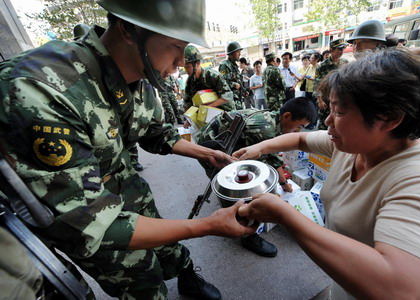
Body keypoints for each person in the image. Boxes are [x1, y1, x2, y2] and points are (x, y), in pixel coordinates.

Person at [0, 1, 257, 299]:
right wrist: (207, 225)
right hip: (82, 215)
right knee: (141, 275)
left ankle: (186, 275)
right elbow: (90, 225)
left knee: (166, 244)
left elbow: (156, 132)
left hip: (125, 186)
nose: (179, 61)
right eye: (175, 47)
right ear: (128, 29)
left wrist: (206, 153)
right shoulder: (41, 92)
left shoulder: (139, 73)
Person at [234, 48, 420, 300]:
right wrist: (260, 147)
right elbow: (301, 139)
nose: (327, 122)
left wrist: (284, 214)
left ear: (389, 118)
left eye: (339, 112)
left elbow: (404, 290)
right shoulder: (353, 145)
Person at [196, 97, 317, 257]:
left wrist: (283, 182)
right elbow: (270, 161)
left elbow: (272, 157)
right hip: (210, 149)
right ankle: (246, 234)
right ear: (287, 116)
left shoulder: (272, 118)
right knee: (237, 188)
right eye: (299, 126)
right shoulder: (264, 128)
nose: (298, 132)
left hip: (222, 143)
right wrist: (283, 183)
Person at [183, 44, 236, 128]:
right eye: (184, 67)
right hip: (207, 118)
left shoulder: (212, 76)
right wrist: (188, 119)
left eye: (188, 67)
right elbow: (187, 103)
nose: (186, 70)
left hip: (225, 114)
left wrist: (209, 107)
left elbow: (228, 96)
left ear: (197, 63)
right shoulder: (190, 81)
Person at [314, 39, 348, 130]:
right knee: (324, 124)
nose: (341, 52)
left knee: (339, 124)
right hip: (326, 99)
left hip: (341, 98)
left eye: (342, 49)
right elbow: (317, 85)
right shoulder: (322, 66)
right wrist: (320, 100)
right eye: (339, 49)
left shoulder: (345, 62)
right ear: (332, 50)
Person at [219, 41, 244, 109]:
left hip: (238, 98)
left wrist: (243, 90)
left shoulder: (234, 66)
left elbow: (237, 80)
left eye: (239, 52)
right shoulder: (224, 65)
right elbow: (221, 83)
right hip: (231, 101)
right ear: (231, 54)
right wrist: (234, 85)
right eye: (237, 52)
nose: (240, 54)